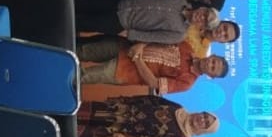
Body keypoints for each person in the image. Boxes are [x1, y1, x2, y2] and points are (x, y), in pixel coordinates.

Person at [78, 94, 219, 137]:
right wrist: (124, 101)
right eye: (205, 115)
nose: (202, 119)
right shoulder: (179, 109)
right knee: (80, 110)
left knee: (82, 135)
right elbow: (152, 100)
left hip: (121, 133)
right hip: (118, 110)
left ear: (203, 131)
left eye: (206, 123)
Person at [79, 33, 229, 86]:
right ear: (212, 56)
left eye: (213, 68)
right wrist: (141, 45)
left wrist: (138, 60)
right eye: (214, 61)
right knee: (82, 51)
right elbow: (161, 36)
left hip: (123, 72)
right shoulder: (187, 47)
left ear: (210, 76)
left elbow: (154, 83)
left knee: (82, 76)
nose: (210, 64)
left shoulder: (187, 82)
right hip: (124, 47)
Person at [73, 0, 224, 44]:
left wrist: (129, 34)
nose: (201, 16)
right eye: (205, 13)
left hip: (121, 23)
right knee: (77, 2)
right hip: (120, 1)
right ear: (202, 8)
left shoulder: (179, 34)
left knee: (79, 23)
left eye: (205, 20)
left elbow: (153, 37)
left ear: (202, 27)